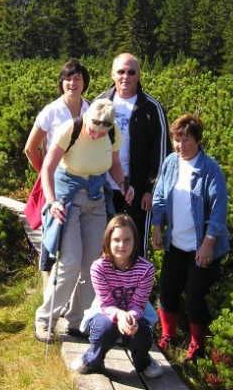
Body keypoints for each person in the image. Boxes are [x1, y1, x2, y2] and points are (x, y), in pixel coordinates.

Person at [34, 98, 135, 342]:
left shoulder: (111, 132)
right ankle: (45, 319)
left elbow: (113, 164)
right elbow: (48, 168)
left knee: (92, 264)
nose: (96, 134)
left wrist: (123, 184)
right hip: (67, 198)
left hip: (96, 199)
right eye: (93, 128)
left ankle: (77, 320)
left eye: (102, 132)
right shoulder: (72, 128)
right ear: (87, 118)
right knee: (69, 261)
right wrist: (51, 201)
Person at [152, 114, 229, 363]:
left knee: (196, 295)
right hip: (175, 243)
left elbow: (218, 211)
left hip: (201, 246)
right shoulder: (171, 163)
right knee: (168, 290)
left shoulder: (210, 169)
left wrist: (208, 244)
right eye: (177, 140)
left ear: (197, 140)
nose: (181, 146)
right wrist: (157, 228)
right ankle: (168, 336)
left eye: (186, 141)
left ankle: (197, 346)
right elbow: (160, 197)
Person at [70, 214, 164, 378]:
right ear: (108, 241)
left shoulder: (146, 269)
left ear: (135, 241)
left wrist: (131, 318)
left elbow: (139, 303)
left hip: (135, 312)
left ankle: (144, 361)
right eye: (116, 240)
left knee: (142, 332)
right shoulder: (99, 267)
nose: (122, 244)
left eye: (127, 239)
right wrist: (119, 315)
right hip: (105, 312)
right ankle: (92, 358)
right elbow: (106, 303)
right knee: (104, 329)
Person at [97, 53, 171, 258]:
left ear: (139, 75)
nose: (125, 76)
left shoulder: (152, 108)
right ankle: (105, 290)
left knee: (135, 246)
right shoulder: (100, 102)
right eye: (120, 71)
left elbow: (162, 153)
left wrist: (151, 189)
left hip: (137, 191)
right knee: (103, 246)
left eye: (131, 72)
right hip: (101, 188)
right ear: (112, 74)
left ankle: (138, 289)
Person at [24, 59, 90, 283]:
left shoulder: (89, 110)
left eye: (77, 78)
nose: (73, 83)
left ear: (84, 83)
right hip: (58, 182)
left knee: (79, 241)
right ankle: (49, 293)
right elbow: (30, 148)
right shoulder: (51, 111)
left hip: (83, 182)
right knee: (54, 237)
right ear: (61, 83)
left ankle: (73, 295)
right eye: (68, 78)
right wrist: (45, 173)